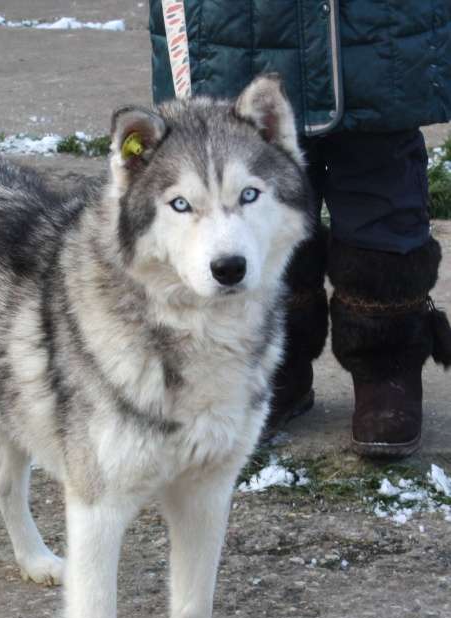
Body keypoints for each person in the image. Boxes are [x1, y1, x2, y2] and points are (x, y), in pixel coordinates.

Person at [149, 0, 451, 457]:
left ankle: (386, 361)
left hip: (375, 27)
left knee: (381, 190)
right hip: (237, 24)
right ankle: (275, 361)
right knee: (251, 190)